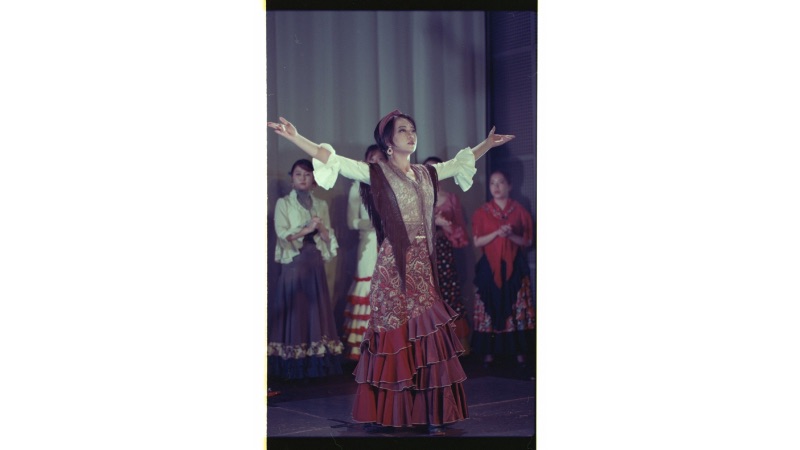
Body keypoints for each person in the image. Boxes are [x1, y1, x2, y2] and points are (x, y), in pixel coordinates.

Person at [267, 110, 514, 435]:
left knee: (428, 336)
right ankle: (395, 411)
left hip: (422, 270)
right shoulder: (377, 173)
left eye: (412, 129)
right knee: (396, 339)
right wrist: (296, 137)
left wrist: (487, 144)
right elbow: (332, 159)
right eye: (402, 130)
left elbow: (459, 163)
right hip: (393, 269)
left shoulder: (426, 173)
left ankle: (433, 414)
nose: (411, 135)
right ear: (388, 142)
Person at [268, 159, 344, 381]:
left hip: (314, 262)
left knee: (315, 309)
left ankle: (316, 363)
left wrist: (321, 228)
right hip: (294, 263)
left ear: (314, 180)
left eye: (307, 174)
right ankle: (293, 365)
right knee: (296, 309)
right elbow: (283, 234)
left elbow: (328, 237)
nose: (302, 178)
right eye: (298, 174)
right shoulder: (283, 203)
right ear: (292, 179)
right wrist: (307, 228)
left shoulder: (321, 205)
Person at [470, 169, 535, 374]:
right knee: (489, 304)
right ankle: (488, 353)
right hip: (490, 267)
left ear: (509, 185)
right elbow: (477, 241)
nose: (496, 187)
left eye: (500, 182)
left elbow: (528, 241)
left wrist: (511, 235)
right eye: (492, 183)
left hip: (514, 265)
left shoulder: (520, 211)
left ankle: (520, 354)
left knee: (516, 305)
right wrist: (498, 233)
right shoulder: (482, 212)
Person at [423, 156, 471, 355]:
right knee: (426, 296)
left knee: (449, 294)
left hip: (446, 250)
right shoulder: (417, 196)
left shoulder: (451, 198)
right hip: (423, 251)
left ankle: (453, 345)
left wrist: (447, 226)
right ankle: (429, 348)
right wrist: (433, 222)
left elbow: (460, 228)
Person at [341, 145, 385, 361]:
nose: (375, 162)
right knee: (367, 286)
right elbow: (351, 221)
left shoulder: (393, 183)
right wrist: (368, 223)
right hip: (368, 243)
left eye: (380, 159)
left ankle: (386, 346)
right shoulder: (357, 186)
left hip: (389, 243)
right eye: (371, 159)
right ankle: (364, 348)